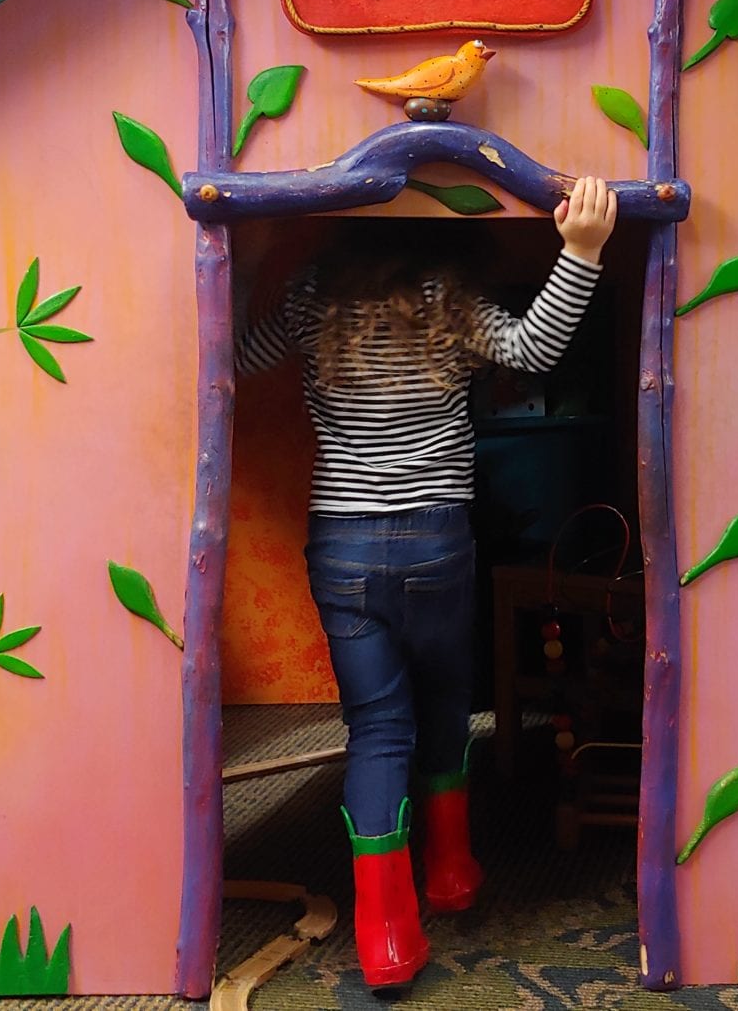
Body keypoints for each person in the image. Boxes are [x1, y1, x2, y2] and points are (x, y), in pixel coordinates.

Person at [233, 178, 619, 989]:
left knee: (378, 729)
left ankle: (385, 936)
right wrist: (580, 250)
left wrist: (251, 258)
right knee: (444, 701)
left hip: (341, 542)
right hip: (435, 535)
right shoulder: (446, 294)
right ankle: (450, 871)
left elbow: (234, 357)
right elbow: (531, 350)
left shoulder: (313, 294)